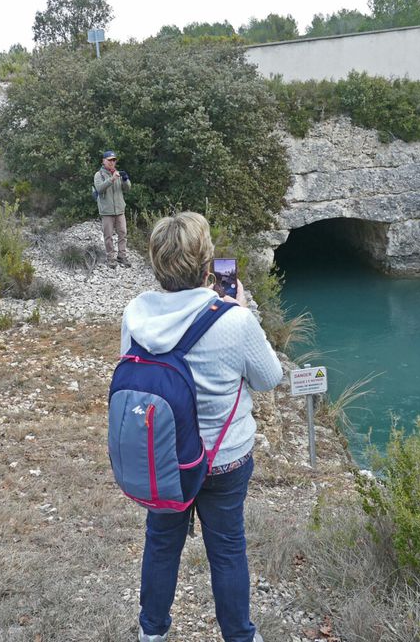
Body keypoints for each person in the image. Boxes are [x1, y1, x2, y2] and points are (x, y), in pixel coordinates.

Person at [121, 212, 282, 642]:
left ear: (155, 261)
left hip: (165, 455)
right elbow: (270, 378)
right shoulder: (233, 320)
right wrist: (244, 313)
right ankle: (239, 636)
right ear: (207, 263)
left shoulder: (135, 315)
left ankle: (152, 632)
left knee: (160, 543)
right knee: (227, 549)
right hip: (224, 459)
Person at [93, 150, 132, 268]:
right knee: (108, 235)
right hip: (107, 211)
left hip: (120, 210)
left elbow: (128, 189)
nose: (112, 162)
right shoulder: (98, 175)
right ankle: (110, 258)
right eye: (109, 160)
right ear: (103, 161)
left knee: (123, 234)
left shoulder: (118, 173)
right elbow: (99, 189)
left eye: (114, 160)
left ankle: (122, 256)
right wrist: (111, 179)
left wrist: (125, 179)